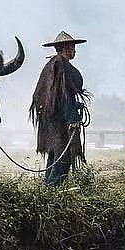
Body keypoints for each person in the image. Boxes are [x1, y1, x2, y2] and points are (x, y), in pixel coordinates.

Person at [30, 31, 89, 186]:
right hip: (59, 122)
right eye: (72, 47)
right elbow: (64, 95)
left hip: (50, 119)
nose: (74, 51)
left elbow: (54, 97)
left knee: (54, 153)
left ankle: (48, 189)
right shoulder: (61, 66)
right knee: (64, 155)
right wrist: (72, 118)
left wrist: (75, 106)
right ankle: (53, 189)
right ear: (65, 48)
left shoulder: (51, 65)